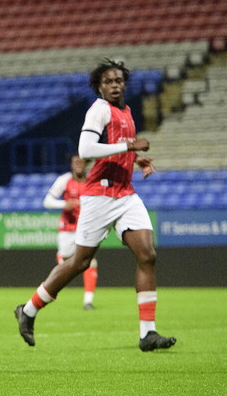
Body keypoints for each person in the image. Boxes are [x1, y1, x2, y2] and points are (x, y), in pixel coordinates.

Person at [14, 58, 176, 352]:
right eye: (108, 82)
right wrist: (129, 147)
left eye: (118, 81)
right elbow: (86, 149)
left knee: (147, 254)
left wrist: (134, 159)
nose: (114, 86)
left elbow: (113, 148)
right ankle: (28, 310)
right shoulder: (99, 109)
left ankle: (148, 333)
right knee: (80, 262)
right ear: (99, 87)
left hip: (125, 193)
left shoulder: (125, 111)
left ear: (124, 83)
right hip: (99, 196)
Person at [42, 154, 98, 310]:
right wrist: (64, 204)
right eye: (75, 162)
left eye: (81, 162)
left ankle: (88, 301)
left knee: (91, 261)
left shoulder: (91, 181)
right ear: (71, 164)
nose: (78, 165)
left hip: (85, 227)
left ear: (85, 164)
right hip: (67, 227)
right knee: (66, 259)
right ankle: (61, 258)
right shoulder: (64, 180)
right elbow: (47, 201)